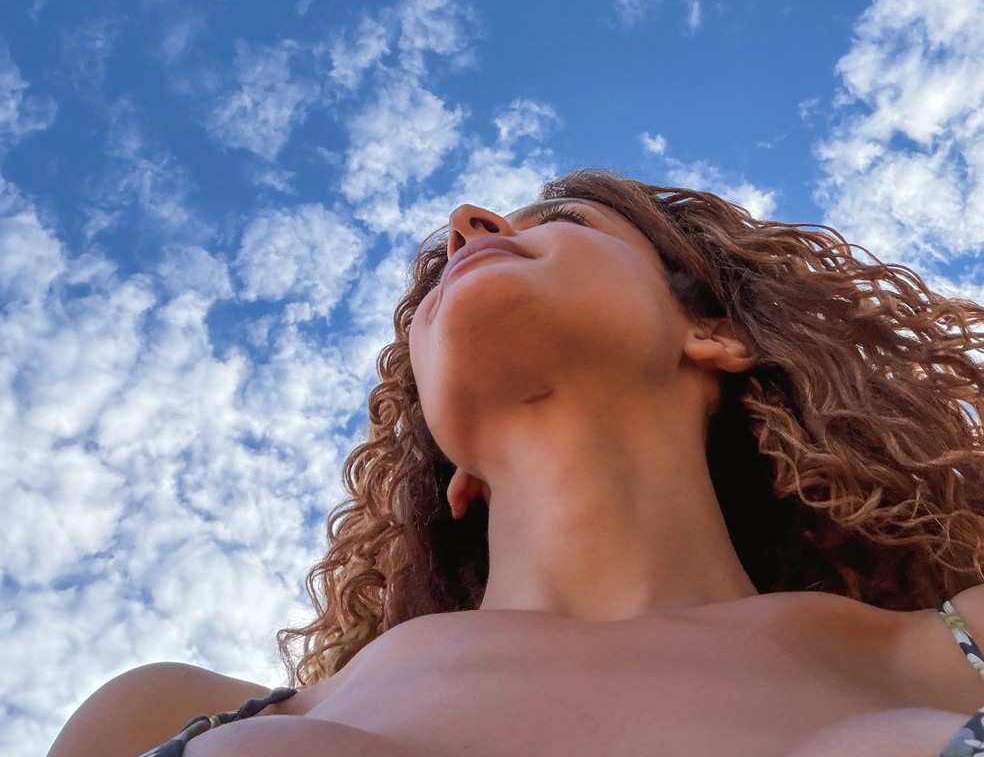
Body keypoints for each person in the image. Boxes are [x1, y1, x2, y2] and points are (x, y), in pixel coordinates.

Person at [48, 169, 984, 757]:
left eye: (568, 216)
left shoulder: (955, 653)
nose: (466, 223)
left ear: (714, 334)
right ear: (452, 469)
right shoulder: (158, 716)